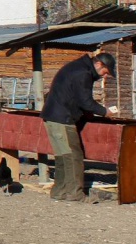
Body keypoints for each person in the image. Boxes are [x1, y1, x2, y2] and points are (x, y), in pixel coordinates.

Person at [40, 51, 116, 201]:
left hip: (53, 116)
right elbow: (85, 101)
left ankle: (59, 192)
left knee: (63, 156)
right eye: (105, 72)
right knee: (73, 156)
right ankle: (75, 194)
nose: (104, 76)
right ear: (99, 64)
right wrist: (104, 111)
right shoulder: (83, 73)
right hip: (63, 118)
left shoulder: (76, 67)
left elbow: (75, 97)